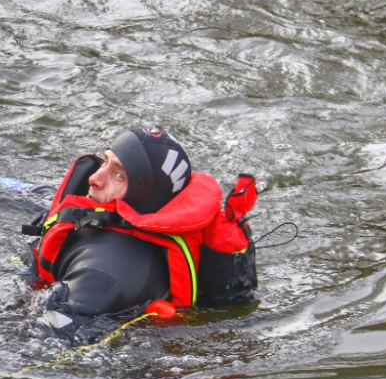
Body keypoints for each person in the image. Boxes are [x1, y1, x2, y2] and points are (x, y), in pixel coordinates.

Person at [23, 127, 258, 333]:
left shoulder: (107, 275)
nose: (94, 178)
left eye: (118, 175)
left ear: (145, 196)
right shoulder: (100, 217)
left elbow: (41, 346)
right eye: (105, 162)